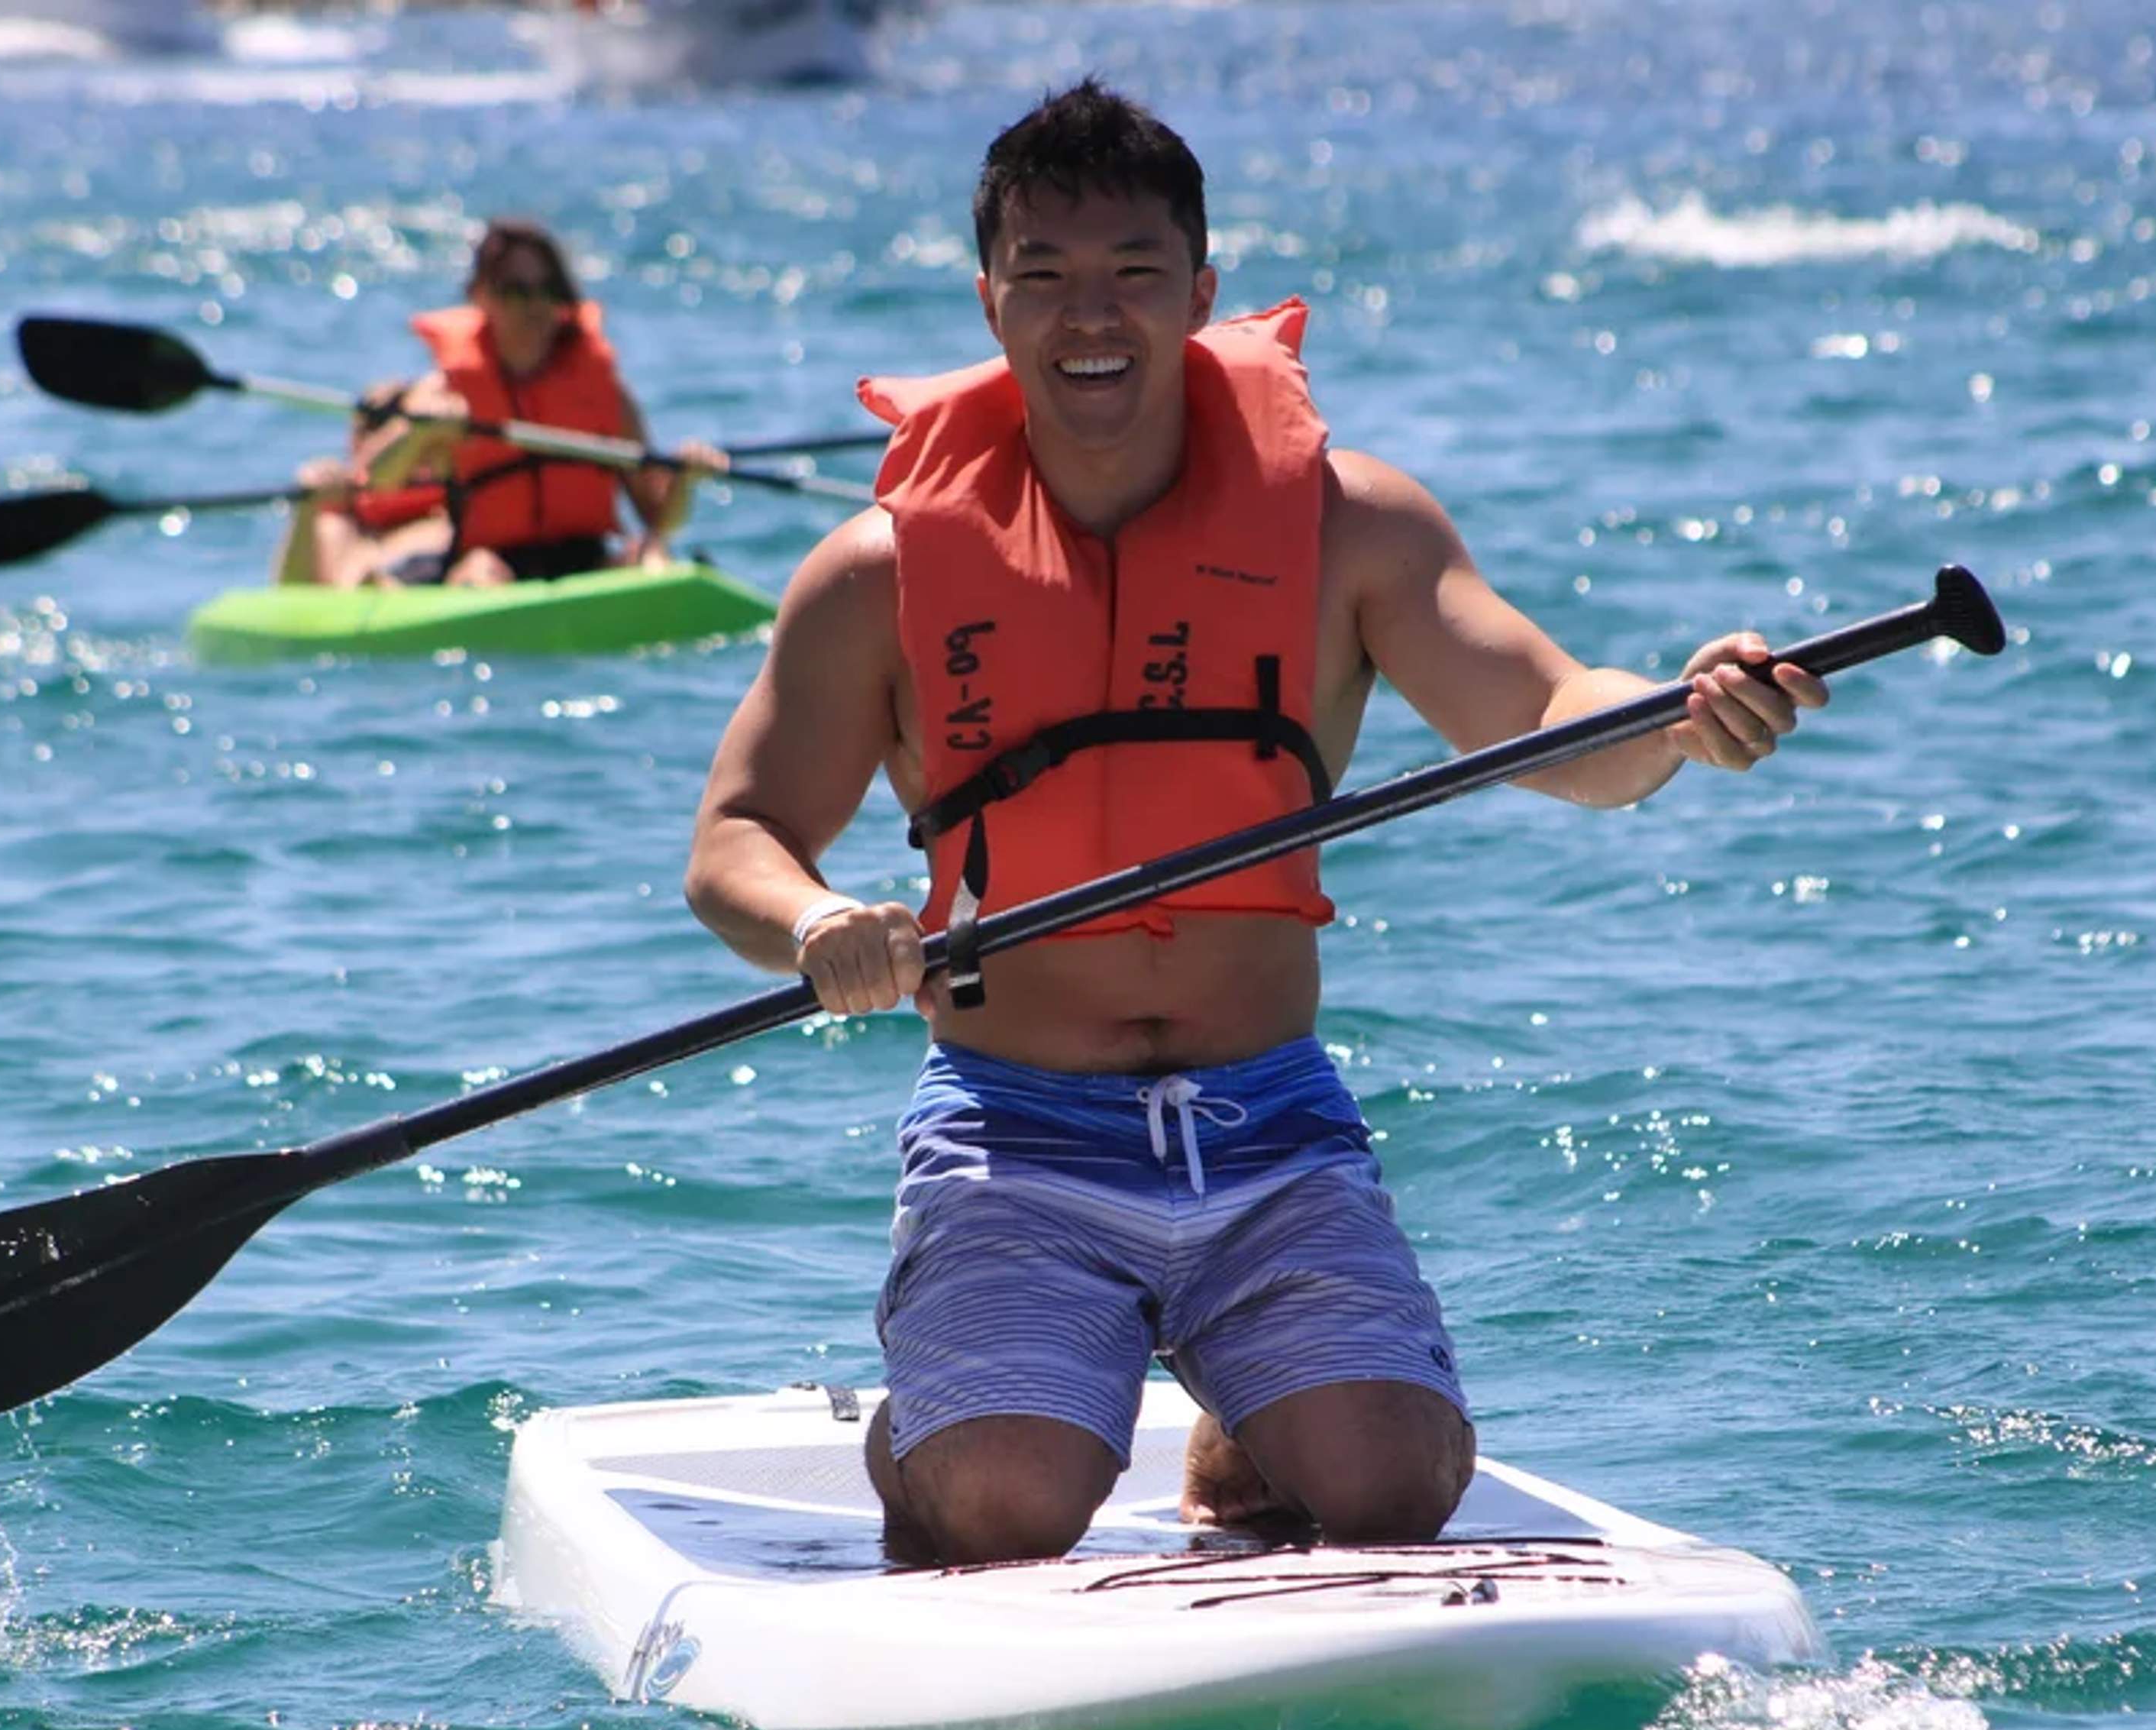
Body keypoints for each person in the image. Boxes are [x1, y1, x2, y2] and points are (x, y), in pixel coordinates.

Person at [683, 81, 1832, 1568]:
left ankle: (1246, 1412)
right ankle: (940, 1411)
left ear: (1203, 290)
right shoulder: (877, 570)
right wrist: (816, 921)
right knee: (997, 1509)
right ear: (989, 304)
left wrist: (1676, 717)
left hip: (1269, 1119)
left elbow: (1555, 713)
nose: (1090, 317)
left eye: (1134, 275)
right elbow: (736, 835)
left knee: (1395, 1485)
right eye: (1045, 278)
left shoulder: (1352, 525)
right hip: (1014, 1127)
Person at [274, 218, 722, 590]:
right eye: (515, 290)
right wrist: (419, 434)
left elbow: (659, 517)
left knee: (652, 556)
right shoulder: (446, 392)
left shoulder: (607, 392)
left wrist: (684, 480)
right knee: (483, 572)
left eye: (547, 290)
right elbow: (375, 485)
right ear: (481, 297)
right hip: (492, 564)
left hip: (588, 558)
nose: (534, 306)